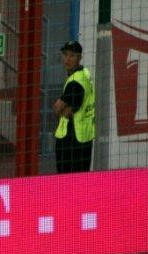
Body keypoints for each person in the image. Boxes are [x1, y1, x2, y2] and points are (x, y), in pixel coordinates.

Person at [53, 40, 96, 174]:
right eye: (65, 54)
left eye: (72, 55)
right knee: (81, 179)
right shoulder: (85, 73)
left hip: (71, 140)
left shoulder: (75, 82)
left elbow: (59, 109)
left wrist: (61, 106)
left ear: (79, 57)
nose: (67, 59)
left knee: (66, 181)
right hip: (84, 137)